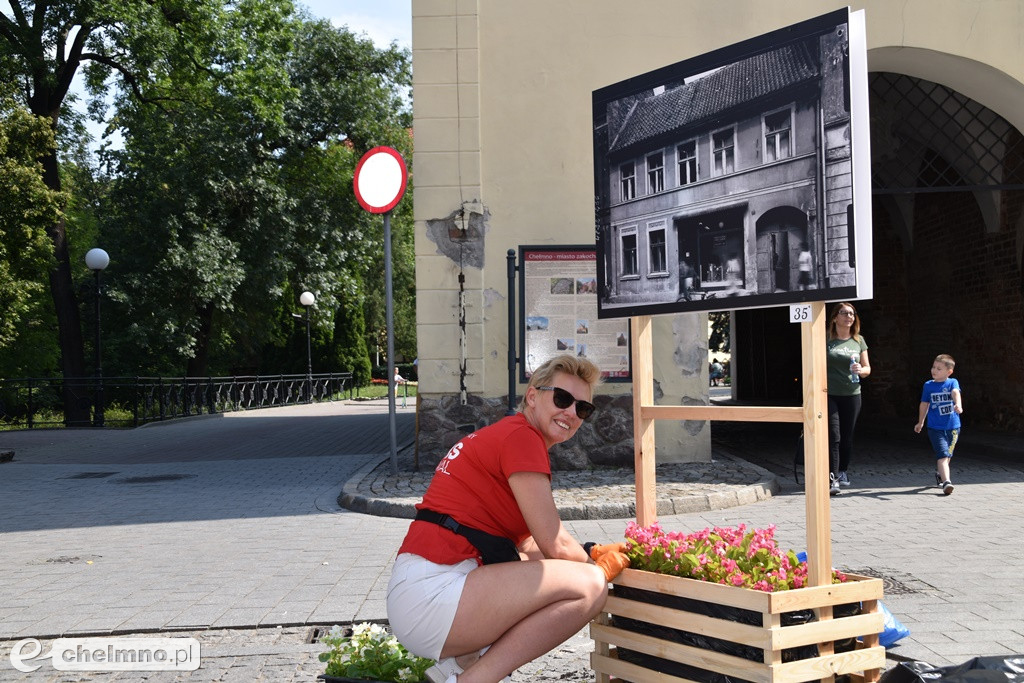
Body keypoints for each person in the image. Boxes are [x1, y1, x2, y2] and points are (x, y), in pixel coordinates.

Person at [386, 355, 630, 683]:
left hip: (421, 593)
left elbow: (529, 546)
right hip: (437, 593)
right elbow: (554, 543)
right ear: (532, 396)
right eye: (562, 399)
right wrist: (594, 566)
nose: (571, 413)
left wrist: (589, 549)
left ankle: (459, 666)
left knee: (553, 570)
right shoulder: (522, 438)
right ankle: (472, 678)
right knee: (590, 587)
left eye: (583, 409)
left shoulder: (507, 434)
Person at [826, 302, 871, 495]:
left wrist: (861, 370)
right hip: (829, 394)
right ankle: (832, 477)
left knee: (847, 436)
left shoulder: (858, 340)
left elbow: (868, 368)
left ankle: (843, 471)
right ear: (835, 317)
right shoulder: (826, 340)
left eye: (852, 314)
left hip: (852, 395)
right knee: (833, 436)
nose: (849, 317)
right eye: (844, 313)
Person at [914, 354, 962, 495]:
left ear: (949, 372)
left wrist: (958, 405)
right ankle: (947, 482)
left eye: (939, 368)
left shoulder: (952, 382)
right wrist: (920, 421)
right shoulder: (928, 385)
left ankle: (940, 474)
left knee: (948, 455)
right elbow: (924, 404)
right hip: (935, 428)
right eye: (933, 367)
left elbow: (955, 393)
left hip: (953, 427)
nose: (934, 370)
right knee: (942, 455)